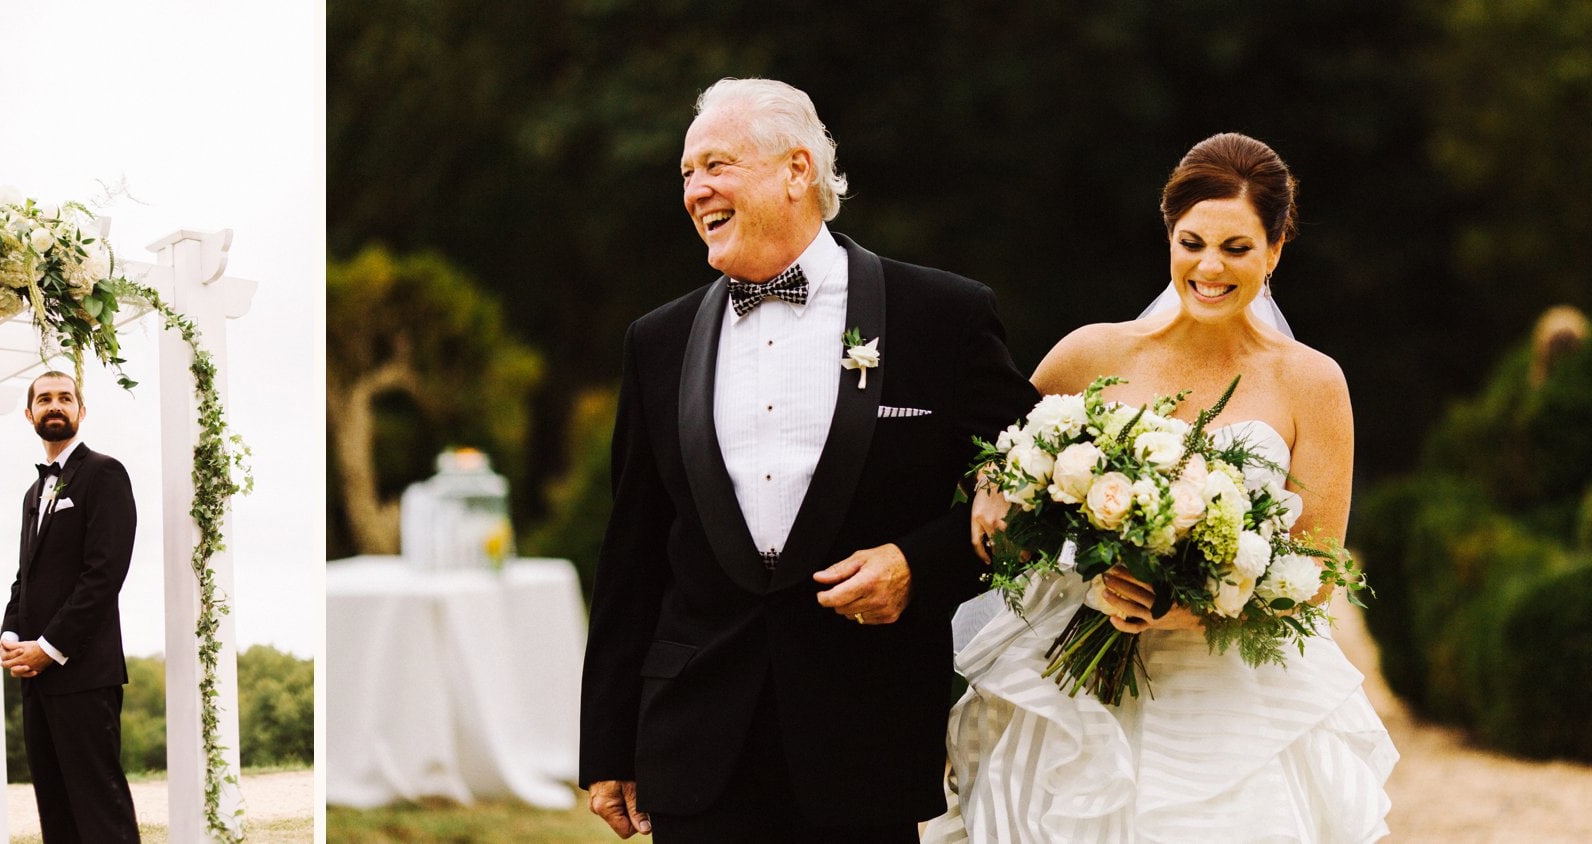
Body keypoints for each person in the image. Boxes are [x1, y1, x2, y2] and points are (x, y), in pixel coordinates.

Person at [578, 77, 1040, 842]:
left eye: (716, 165)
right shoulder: (654, 343)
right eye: (687, 174)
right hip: (697, 738)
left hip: (865, 733)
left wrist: (919, 566)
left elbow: (1039, 487)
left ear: (798, 170)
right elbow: (630, 549)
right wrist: (607, 745)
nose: (696, 191)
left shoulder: (941, 316)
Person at [933, 133, 1398, 842]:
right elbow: (1006, 455)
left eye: (1237, 248)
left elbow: (1318, 574)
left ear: (1275, 250)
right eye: (1192, 242)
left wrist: (1192, 611)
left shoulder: (1312, 382)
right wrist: (995, 483)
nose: (1210, 266)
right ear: (1169, 238)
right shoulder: (1092, 352)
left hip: (1231, 698)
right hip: (1076, 688)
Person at [0, 370, 140, 841]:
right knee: (55, 812)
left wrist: (50, 646)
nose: (54, 405)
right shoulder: (33, 494)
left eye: (64, 398)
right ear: (29, 414)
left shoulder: (104, 473)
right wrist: (11, 634)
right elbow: (27, 577)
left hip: (82, 672)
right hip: (36, 680)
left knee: (100, 811)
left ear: (81, 410)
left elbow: (104, 575)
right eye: (44, 399)